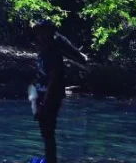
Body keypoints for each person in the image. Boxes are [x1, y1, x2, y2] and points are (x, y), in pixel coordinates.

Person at [30, 19, 88, 163]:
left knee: (48, 131)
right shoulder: (44, 49)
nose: (39, 35)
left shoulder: (53, 53)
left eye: (41, 32)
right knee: (45, 131)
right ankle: (49, 159)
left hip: (50, 96)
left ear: (48, 33)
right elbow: (42, 74)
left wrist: (43, 103)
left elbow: (53, 80)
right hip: (42, 94)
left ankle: (51, 160)